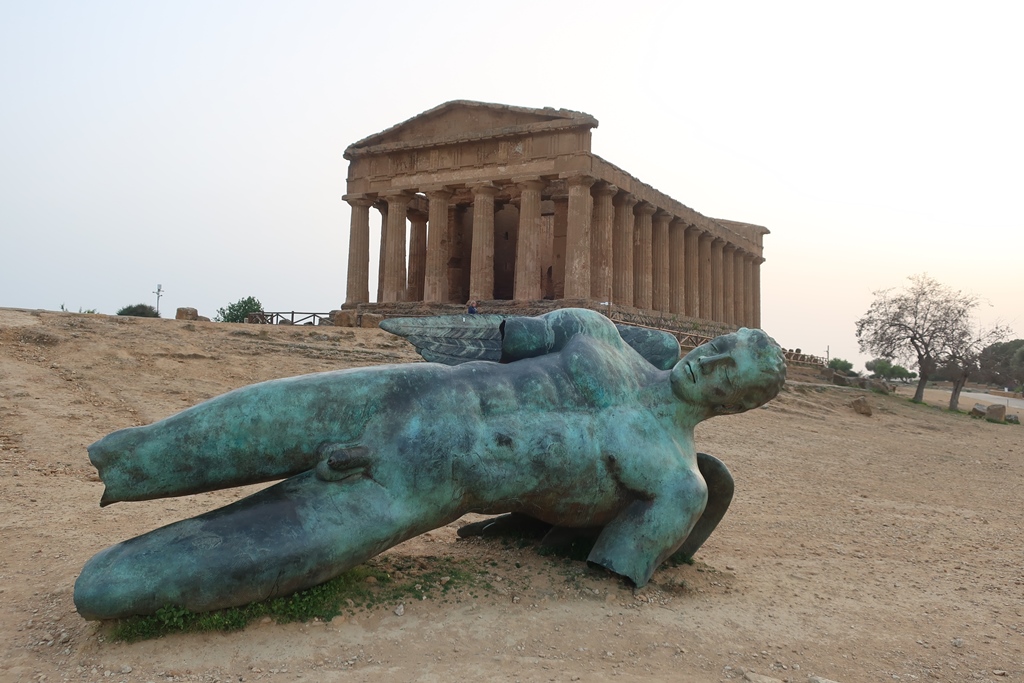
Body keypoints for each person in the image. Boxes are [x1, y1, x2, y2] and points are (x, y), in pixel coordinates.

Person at [75, 308, 786, 620]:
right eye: (721, 348)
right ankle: (127, 469)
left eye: (731, 375)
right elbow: (486, 337)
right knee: (146, 451)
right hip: (404, 393)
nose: (712, 363)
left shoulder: (678, 483)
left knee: (111, 587)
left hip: (421, 487)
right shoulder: (596, 334)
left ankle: (126, 577)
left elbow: (612, 565)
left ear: (739, 406)